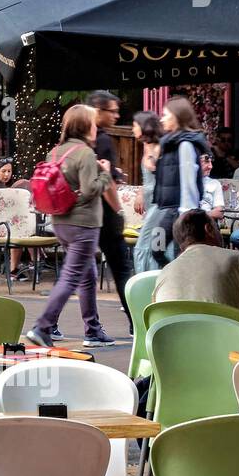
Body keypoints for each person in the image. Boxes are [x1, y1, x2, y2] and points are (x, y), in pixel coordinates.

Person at [26, 104, 116, 348]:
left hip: (60, 222)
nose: (97, 127)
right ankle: (43, 326)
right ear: (86, 126)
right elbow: (90, 190)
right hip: (83, 224)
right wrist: (106, 173)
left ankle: (92, 330)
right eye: (94, 123)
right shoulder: (85, 153)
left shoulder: (56, 152)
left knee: (87, 275)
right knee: (72, 276)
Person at [87, 90, 134, 322]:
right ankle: (136, 322)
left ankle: (49, 324)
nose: (116, 116)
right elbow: (107, 184)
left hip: (82, 214)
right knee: (122, 269)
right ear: (98, 110)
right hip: (104, 215)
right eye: (112, 111)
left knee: (76, 272)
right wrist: (118, 210)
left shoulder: (79, 138)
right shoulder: (102, 139)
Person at [150, 96, 209, 267]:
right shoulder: (171, 143)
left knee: (179, 252)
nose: (162, 119)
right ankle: (172, 274)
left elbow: (189, 180)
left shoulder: (185, 145)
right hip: (167, 210)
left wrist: (186, 213)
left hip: (180, 211)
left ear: (177, 116)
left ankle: (178, 282)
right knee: (156, 247)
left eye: (165, 115)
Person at [131, 111, 165, 274]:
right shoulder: (146, 145)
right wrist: (140, 192)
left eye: (135, 125)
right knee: (153, 244)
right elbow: (147, 180)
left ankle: (153, 281)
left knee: (149, 245)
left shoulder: (160, 147)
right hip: (150, 203)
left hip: (160, 205)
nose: (132, 129)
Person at [0, 157, 29, 278]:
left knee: (26, 230)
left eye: (9, 171)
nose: (7, 174)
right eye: (3, 171)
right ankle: (15, 269)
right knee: (18, 231)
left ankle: (33, 264)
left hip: (9, 223)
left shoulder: (7, 186)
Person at [198, 153, 224, 221]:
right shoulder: (183, 183)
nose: (210, 166)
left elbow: (219, 213)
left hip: (207, 225)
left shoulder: (214, 183)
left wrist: (196, 216)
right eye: (206, 162)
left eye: (210, 162)